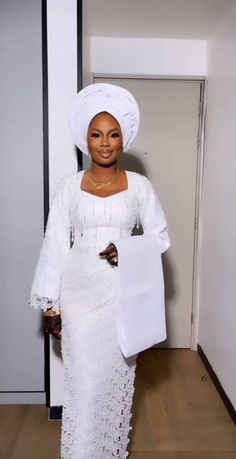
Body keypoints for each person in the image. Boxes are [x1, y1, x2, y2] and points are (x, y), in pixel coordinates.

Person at [30, 83, 170, 459]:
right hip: (77, 298)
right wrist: (50, 306)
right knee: (85, 387)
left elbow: (160, 237)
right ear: (85, 140)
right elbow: (54, 245)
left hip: (120, 300)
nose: (104, 143)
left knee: (110, 386)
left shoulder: (140, 187)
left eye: (113, 135)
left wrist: (128, 249)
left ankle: (106, 452)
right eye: (96, 135)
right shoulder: (69, 188)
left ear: (123, 140)